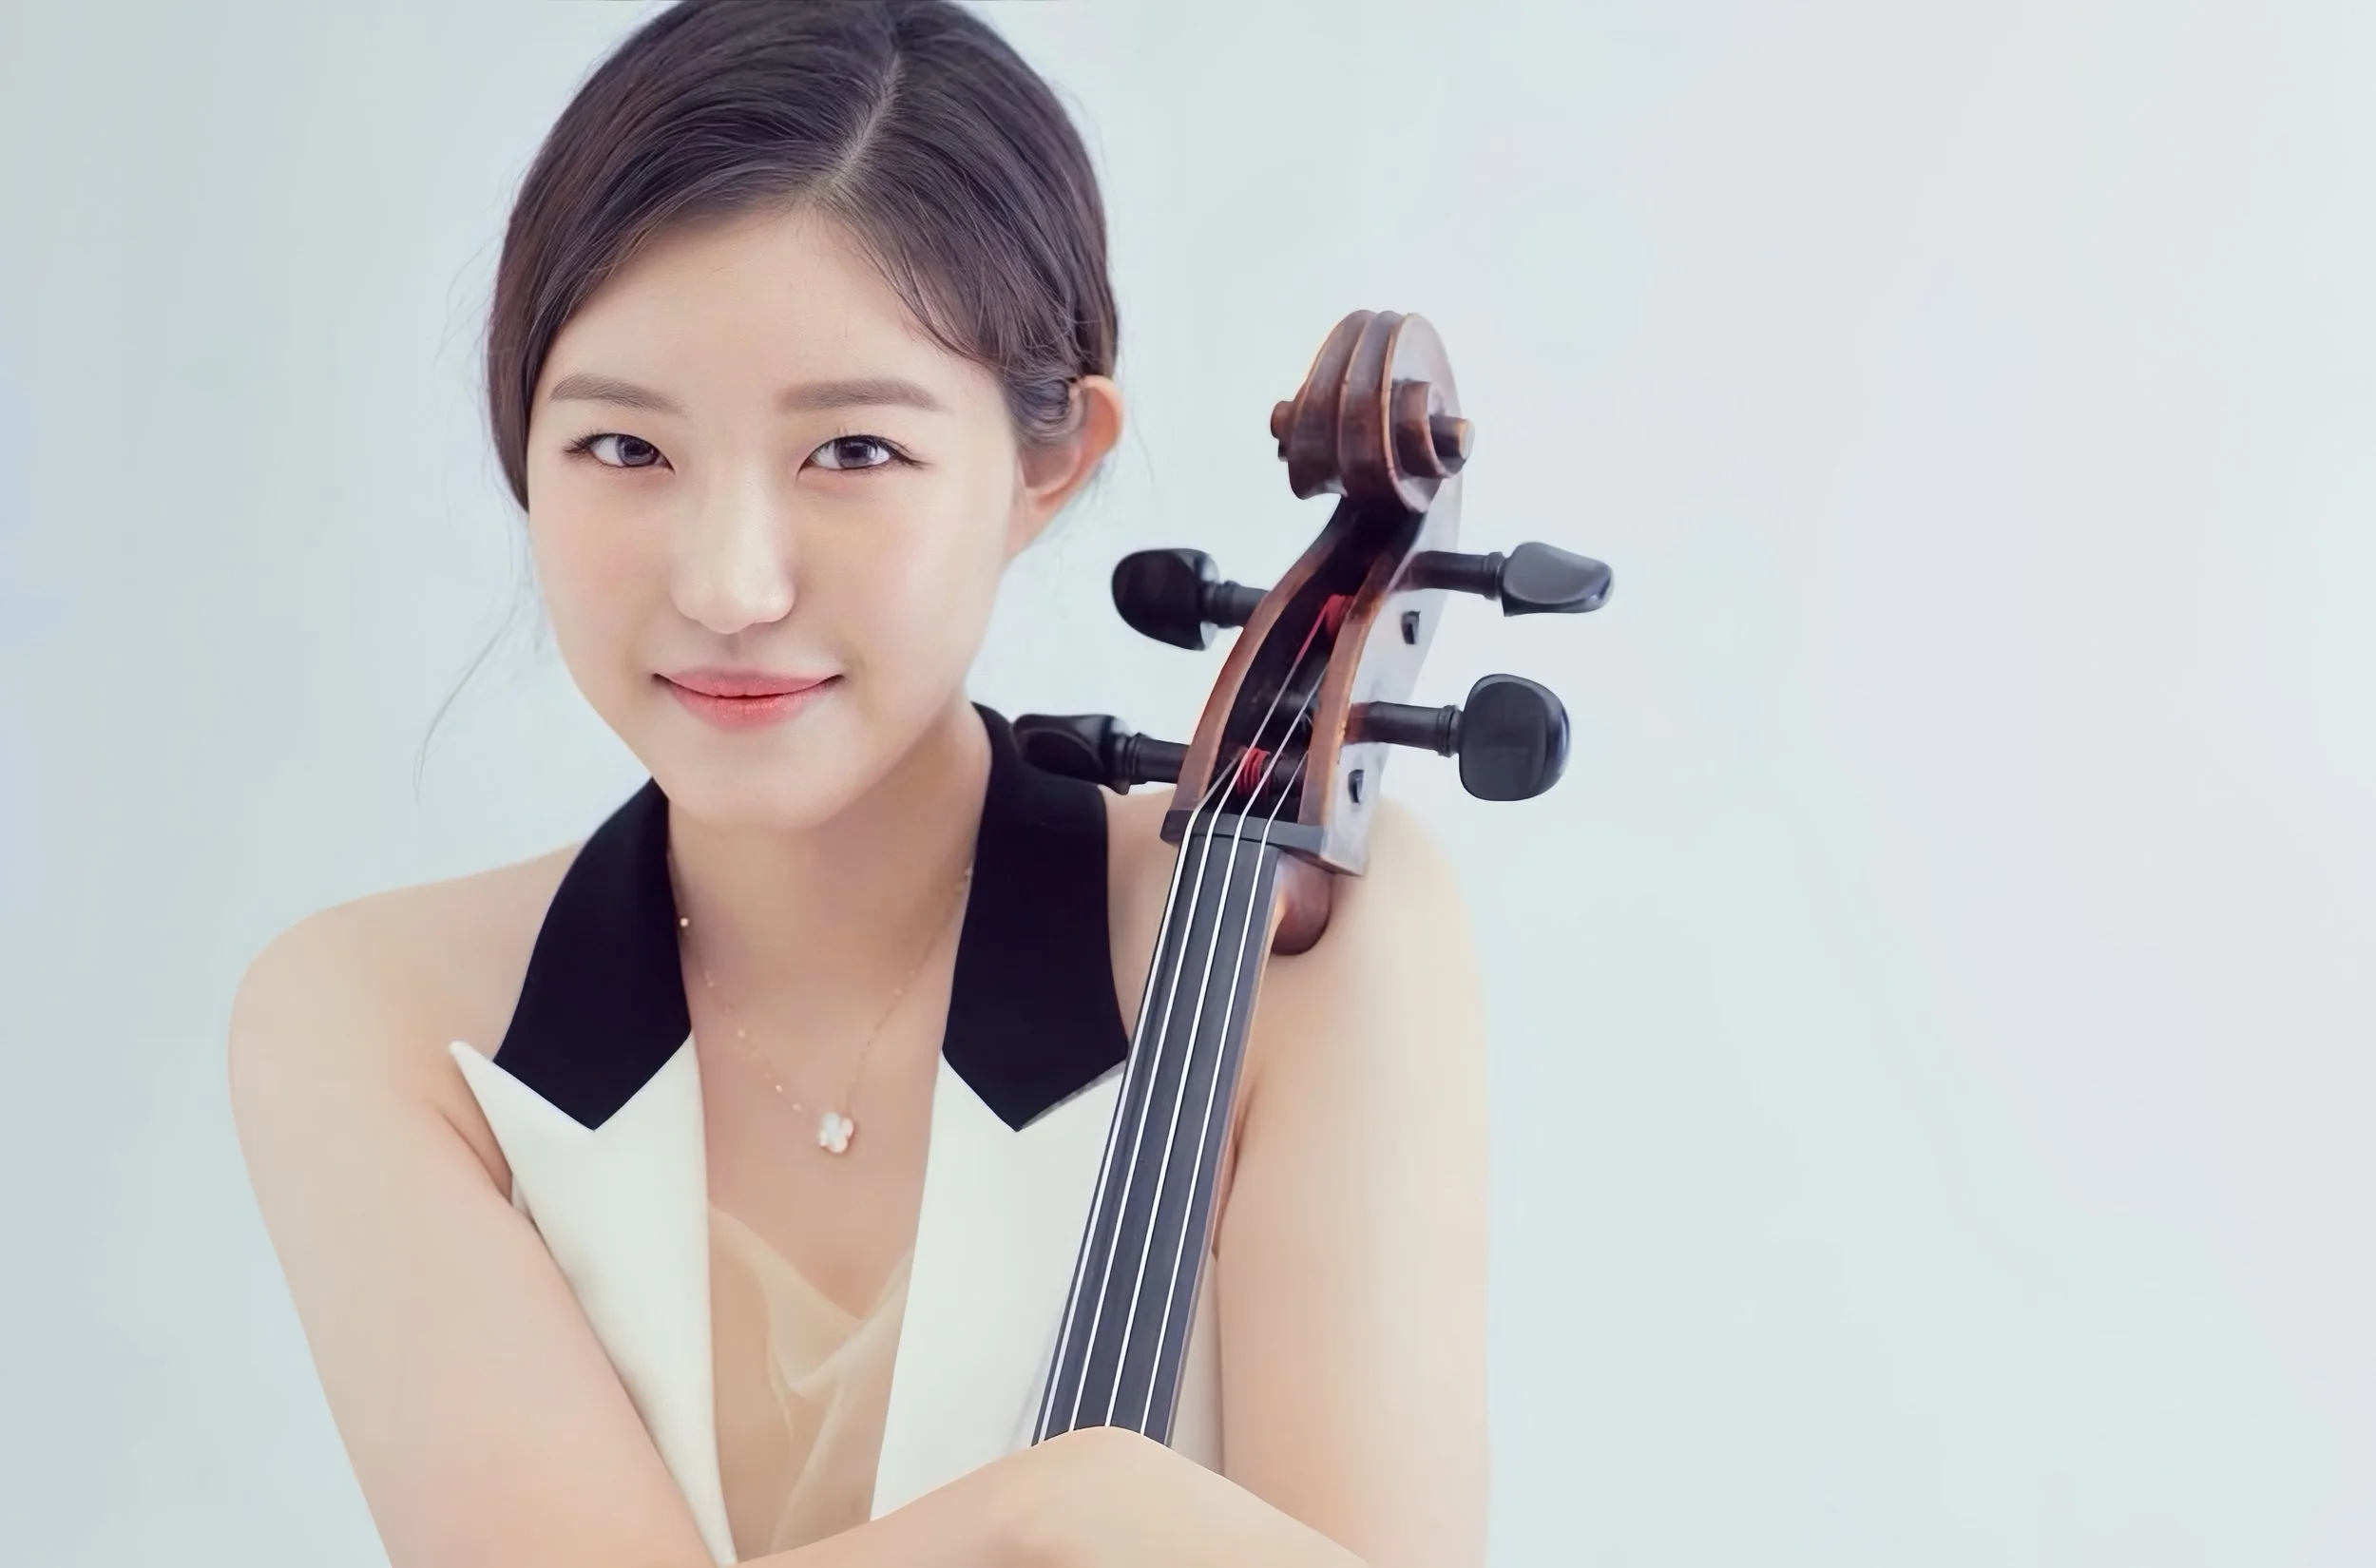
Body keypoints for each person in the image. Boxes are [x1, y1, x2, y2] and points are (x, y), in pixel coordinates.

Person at [228, 3, 1487, 1565]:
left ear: (1050, 462)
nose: (731, 582)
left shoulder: (1298, 948)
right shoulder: (380, 1018)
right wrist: (1056, 1512)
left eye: (852, 453)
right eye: (625, 448)